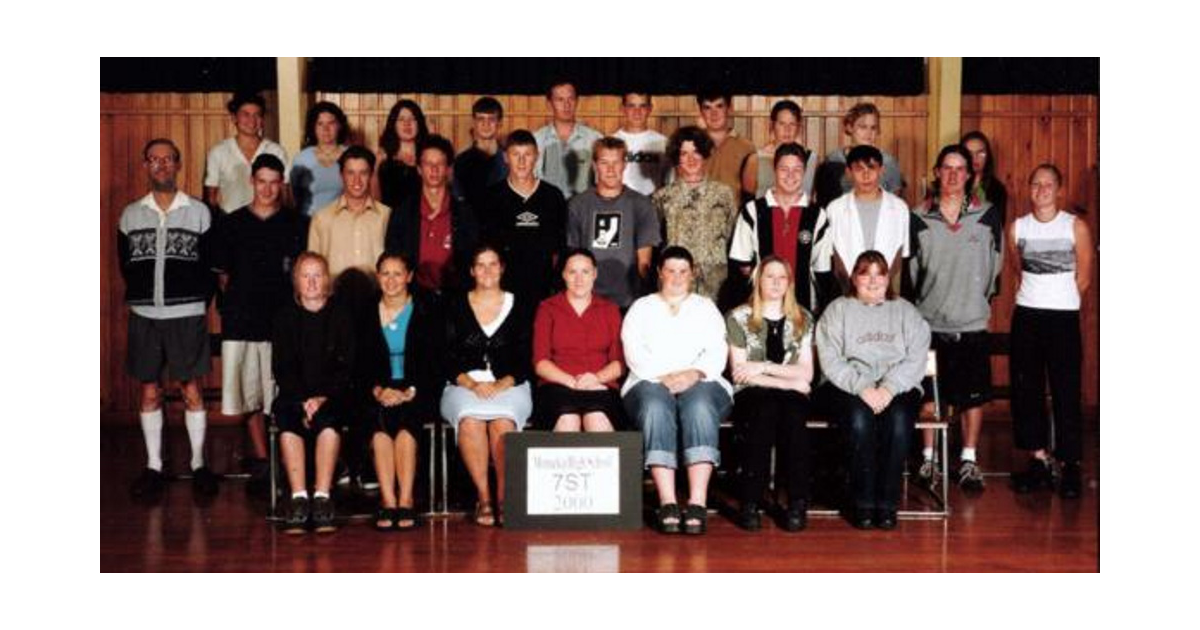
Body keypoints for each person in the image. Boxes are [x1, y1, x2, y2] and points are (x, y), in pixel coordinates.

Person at [121, 138, 219, 500]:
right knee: (149, 390)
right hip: (145, 314)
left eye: (168, 159)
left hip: (187, 314)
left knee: (190, 389)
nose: (161, 165)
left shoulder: (199, 212)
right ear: (146, 165)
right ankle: (154, 467)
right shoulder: (131, 214)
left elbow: (209, 269)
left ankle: (198, 465)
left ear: (179, 165)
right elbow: (126, 265)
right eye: (154, 160)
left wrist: (195, 303)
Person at [909, 145, 1004, 492]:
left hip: (971, 323)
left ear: (970, 175)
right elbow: (912, 271)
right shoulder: (918, 216)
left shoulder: (987, 215)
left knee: (971, 398)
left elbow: (996, 267)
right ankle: (929, 462)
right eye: (946, 168)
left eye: (959, 169)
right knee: (929, 399)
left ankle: (968, 460)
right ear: (936, 172)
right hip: (929, 323)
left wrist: (977, 304)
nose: (952, 175)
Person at [211, 154, 308, 494]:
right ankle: (264, 461)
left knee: (280, 396)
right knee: (249, 396)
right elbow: (222, 275)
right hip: (243, 321)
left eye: (274, 182)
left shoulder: (297, 223)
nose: (267, 188)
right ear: (252, 181)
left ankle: (285, 461)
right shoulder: (231, 223)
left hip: (283, 322)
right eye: (261, 181)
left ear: (281, 184)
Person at [816, 250, 930, 530]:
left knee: (900, 421)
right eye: (865, 273)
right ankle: (864, 502)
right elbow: (831, 360)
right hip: (850, 386)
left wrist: (889, 389)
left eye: (880, 273)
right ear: (854, 278)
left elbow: (916, 359)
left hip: (897, 386)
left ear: (888, 278)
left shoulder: (906, 311)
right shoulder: (837, 310)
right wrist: (862, 387)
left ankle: (887, 504)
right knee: (858, 419)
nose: (873, 280)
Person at [622, 246, 732, 535]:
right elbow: (633, 352)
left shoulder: (706, 307)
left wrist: (693, 374)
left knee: (698, 405)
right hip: (649, 380)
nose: (677, 277)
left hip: (701, 380)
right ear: (659, 273)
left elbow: (717, 352)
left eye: (683, 271)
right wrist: (665, 378)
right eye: (670, 270)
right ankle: (668, 501)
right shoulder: (641, 307)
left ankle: (697, 502)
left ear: (693, 273)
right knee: (656, 405)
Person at [1007, 164, 1093, 499]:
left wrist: (1060, 301)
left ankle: (1070, 463)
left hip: (1063, 319)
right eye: (1035, 184)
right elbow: (1017, 270)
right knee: (1027, 391)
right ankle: (1039, 461)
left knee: (1066, 391)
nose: (1041, 190)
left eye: (1048, 184)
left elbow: (1083, 278)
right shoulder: (1017, 228)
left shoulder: (1076, 226)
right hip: (1027, 317)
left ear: (1059, 190)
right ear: (1029, 189)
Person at [440, 245, 534, 526]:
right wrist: (470, 383)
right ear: (471, 271)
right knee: (470, 421)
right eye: (480, 265)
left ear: (502, 268)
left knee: (502, 422)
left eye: (493, 264)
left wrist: (502, 383)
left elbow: (528, 356)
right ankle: (484, 499)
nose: (487, 271)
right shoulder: (453, 304)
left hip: (511, 384)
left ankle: (505, 498)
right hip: (462, 385)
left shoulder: (521, 304)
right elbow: (443, 356)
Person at [726, 257, 816, 532]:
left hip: (786, 394)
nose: (776, 283)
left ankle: (796, 502)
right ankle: (751, 501)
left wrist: (763, 367)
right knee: (764, 411)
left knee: (792, 415)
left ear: (789, 283)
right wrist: (788, 381)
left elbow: (807, 373)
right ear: (758, 280)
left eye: (782, 278)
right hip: (751, 393)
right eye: (769, 277)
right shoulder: (738, 317)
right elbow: (740, 373)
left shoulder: (803, 317)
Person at [271, 252, 354, 534]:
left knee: (329, 421)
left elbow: (347, 366)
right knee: (288, 419)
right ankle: (298, 499)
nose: (311, 282)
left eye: (317, 275)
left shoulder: (341, 315)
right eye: (305, 276)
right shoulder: (284, 317)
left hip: (332, 395)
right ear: (296, 280)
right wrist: (304, 399)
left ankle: (321, 497)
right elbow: (282, 367)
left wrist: (322, 398)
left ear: (326, 279)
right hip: (295, 395)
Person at [364, 252, 443, 530]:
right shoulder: (365, 311)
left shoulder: (427, 308)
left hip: (417, 388)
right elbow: (357, 363)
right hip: (378, 388)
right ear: (377, 277)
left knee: (407, 425)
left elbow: (435, 360)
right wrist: (377, 390)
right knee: (381, 426)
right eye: (385, 273)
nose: (391, 280)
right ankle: (388, 502)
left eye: (398, 273)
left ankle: (406, 501)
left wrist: (411, 390)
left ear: (409, 276)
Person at [730, 142, 828, 314]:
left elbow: (822, 269)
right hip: (761, 307)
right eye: (784, 169)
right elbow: (742, 264)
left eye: (797, 169)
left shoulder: (817, 215)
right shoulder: (752, 211)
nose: (790, 175)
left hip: (802, 306)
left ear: (804, 172)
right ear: (774, 170)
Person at [533, 249, 625, 432]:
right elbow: (540, 362)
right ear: (564, 275)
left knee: (597, 420)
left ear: (595, 274)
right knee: (568, 421)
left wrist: (596, 378)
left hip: (600, 385)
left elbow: (619, 363)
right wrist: (571, 381)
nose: (579, 279)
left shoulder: (610, 310)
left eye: (585, 271)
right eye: (572, 272)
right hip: (558, 385)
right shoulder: (548, 308)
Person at [566, 137, 661, 310]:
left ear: (624, 164)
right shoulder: (578, 204)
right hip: (588, 300)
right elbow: (573, 258)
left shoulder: (641, 204)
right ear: (594, 165)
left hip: (628, 301)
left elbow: (643, 263)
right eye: (604, 163)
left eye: (616, 162)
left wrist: (643, 303)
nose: (610, 169)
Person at [651, 125, 739, 302]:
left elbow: (732, 236)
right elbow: (657, 244)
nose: (691, 159)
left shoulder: (724, 194)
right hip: (676, 283)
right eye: (684, 154)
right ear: (677, 158)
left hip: (716, 285)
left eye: (696, 152)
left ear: (705, 154)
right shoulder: (662, 198)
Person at [479, 129, 567, 304]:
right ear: (505, 157)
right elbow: (486, 248)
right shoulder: (492, 197)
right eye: (515, 154)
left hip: (543, 289)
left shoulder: (552, 196)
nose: (521, 161)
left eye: (527, 155)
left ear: (536, 156)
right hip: (502, 289)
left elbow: (559, 249)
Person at [385, 134, 480, 296]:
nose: (434, 170)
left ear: (449, 169)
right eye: (428, 164)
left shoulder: (465, 213)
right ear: (419, 169)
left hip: (454, 299)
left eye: (440, 164)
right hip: (413, 298)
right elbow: (393, 258)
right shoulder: (403, 212)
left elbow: (472, 260)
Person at [817, 144, 911, 296]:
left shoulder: (899, 208)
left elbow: (903, 256)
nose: (866, 175)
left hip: (886, 290)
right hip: (847, 289)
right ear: (849, 173)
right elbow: (831, 256)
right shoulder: (835, 209)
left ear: (881, 170)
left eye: (871, 168)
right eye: (859, 169)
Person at [308, 145, 391, 279]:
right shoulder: (322, 218)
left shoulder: (386, 216)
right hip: (334, 297)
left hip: (376, 297)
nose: (356, 180)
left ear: (371, 175)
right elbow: (312, 268)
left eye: (363, 173)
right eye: (350, 173)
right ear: (341, 175)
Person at [204, 92, 289, 215]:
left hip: (268, 221)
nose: (252, 121)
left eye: (257, 115)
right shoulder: (219, 152)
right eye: (246, 115)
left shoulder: (276, 151)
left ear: (262, 119)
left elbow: (285, 194)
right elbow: (211, 197)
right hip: (231, 223)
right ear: (234, 118)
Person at [815, 102, 904, 208]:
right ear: (850, 127)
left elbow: (894, 204)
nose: (868, 133)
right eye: (863, 127)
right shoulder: (833, 159)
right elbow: (824, 201)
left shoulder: (888, 162)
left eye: (873, 128)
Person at [534, 80, 602, 199]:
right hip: (547, 208)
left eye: (571, 99)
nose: (566, 105)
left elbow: (600, 180)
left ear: (577, 101)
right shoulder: (536, 139)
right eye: (560, 99)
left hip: (583, 210)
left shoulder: (595, 139)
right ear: (549, 103)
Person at [290, 101, 348, 217]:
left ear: (339, 125)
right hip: (309, 223)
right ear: (313, 127)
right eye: (320, 124)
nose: (326, 129)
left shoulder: (350, 156)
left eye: (331, 123)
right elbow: (295, 199)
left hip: (343, 223)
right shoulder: (302, 159)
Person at [697, 92, 756, 202]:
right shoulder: (691, 145)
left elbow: (750, 194)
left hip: (734, 217)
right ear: (701, 112)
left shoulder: (746, 147)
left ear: (729, 108)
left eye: (719, 106)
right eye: (707, 108)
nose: (714, 114)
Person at [453, 97, 509, 211]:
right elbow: (458, 201)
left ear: (500, 123)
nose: (486, 124)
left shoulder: (510, 160)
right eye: (481, 119)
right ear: (474, 122)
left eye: (491, 119)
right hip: (471, 224)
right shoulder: (461, 161)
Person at [374, 99, 429, 211]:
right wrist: (375, 167)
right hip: (391, 222)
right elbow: (375, 201)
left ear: (419, 123)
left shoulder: (429, 156)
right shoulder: (383, 159)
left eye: (412, 119)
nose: (407, 124)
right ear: (393, 124)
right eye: (401, 119)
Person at [755, 100, 816, 199]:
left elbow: (811, 195)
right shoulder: (757, 158)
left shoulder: (811, 158)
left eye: (792, 124)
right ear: (772, 125)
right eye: (782, 124)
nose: (787, 130)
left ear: (799, 127)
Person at [614, 92, 668, 195]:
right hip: (619, 204)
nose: (637, 112)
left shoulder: (663, 143)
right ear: (623, 109)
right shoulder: (610, 142)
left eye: (642, 106)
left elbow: (669, 181)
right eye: (631, 106)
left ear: (650, 109)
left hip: (652, 205)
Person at [961, 130, 1008, 223]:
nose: (974, 158)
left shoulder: (997, 189)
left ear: (988, 156)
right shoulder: (952, 185)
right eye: (969, 153)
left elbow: (998, 225)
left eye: (980, 153)